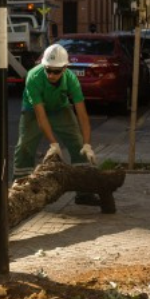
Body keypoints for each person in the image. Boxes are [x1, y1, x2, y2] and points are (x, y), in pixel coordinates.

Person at [13, 44, 97, 204]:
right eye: (48, 70)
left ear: (65, 68)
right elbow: (41, 116)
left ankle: (84, 192)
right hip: (33, 110)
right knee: (24, 145)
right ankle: (20, 190)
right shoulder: (33, 77)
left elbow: (82, 115)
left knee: (77, 144)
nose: (51, 75)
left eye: (56, 71)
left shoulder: (71, 80)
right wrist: (53, 144)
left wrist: (87, 144)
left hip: (60, 108)